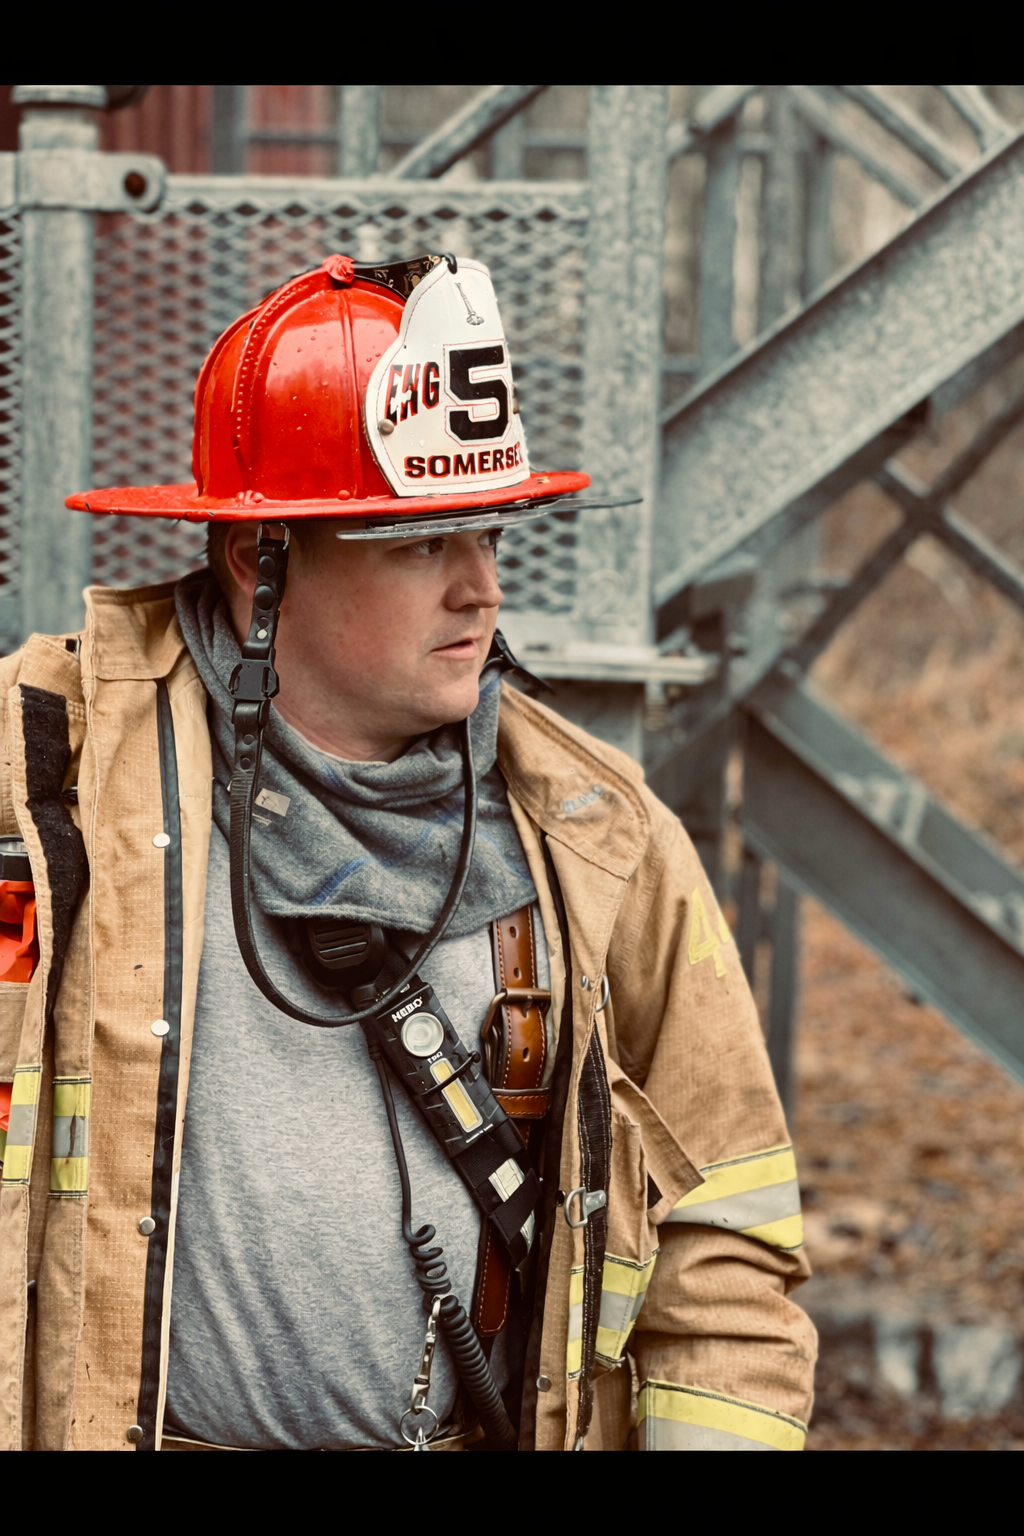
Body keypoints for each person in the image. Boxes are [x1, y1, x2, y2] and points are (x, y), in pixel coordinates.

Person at [0, 252, 816, 1452]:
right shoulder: (50, 783)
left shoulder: (593, 832)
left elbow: (726, 1243)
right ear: (257, 563)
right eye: (420, 545)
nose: (482, 590)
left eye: (486, 536)